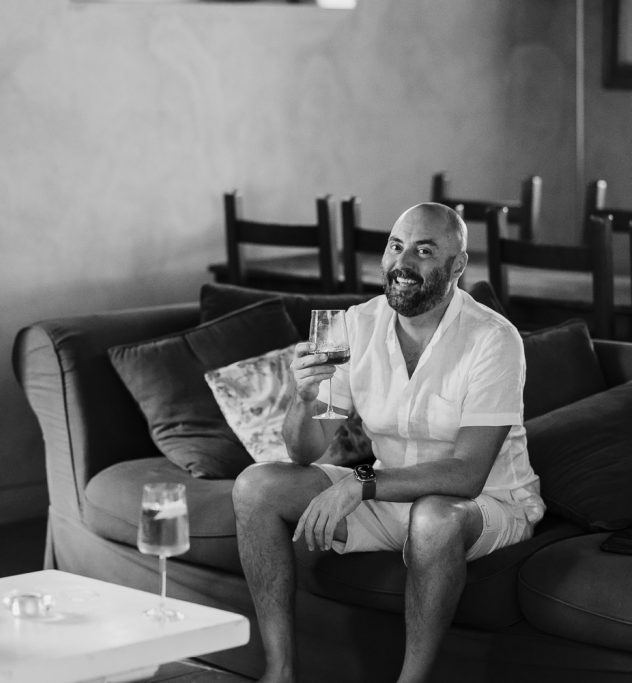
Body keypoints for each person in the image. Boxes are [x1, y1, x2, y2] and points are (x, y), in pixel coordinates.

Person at [232, 203, 544, 683]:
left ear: (457, 266)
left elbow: (467, 474)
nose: (403, 262)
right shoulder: (354, 325)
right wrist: (303, 397)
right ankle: (280, 672)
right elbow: (305, 451)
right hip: (388, 499)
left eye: (424, 251)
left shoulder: (493, 339)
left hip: (484, 505)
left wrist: (359, 483)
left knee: (434, 516)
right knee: (256, 486)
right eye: (396, 246)